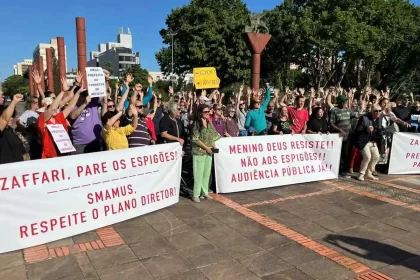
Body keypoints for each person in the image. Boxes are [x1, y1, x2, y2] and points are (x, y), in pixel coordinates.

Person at [37, 85, 84, 158]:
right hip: (50, 157)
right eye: (50, 107)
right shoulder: (42, 119)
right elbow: (53, 108)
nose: (56, 109)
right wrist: (63, 91)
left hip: (64, 155)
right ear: (46, 110)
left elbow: (70, 106)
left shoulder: (59, 117)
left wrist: (78, 93)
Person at [191, 104, 221, 203]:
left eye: (209, 112)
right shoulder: (196, 123)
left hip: (209, 152)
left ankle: (205, 192)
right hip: (199, 152)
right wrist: (206, 147)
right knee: (198, 173)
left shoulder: (209, 122)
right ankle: (196, 194)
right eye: (205, 112)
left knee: (206, 173)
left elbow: (213, 136)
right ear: (200, 113)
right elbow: (195, 139)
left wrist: (213, 146)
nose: (208, 113)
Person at [355, 104, 383, 181]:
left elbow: (379, 129)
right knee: (367, 157)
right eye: (376, 111)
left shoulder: (379, 118)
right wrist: (366, 129)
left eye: (380, 111)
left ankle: (369, 174)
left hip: (373, 141)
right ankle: (361, 174)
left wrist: (381, 132)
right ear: (371, 111)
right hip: (364, 141)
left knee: (376, 157)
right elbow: (357, 130)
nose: (378, 112)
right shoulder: (364, 118)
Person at [0, 94, 27, 164]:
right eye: (9, 116)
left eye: (12, 116)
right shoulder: (2, 131)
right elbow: (4, 118)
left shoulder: (12, 131)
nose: (11, 118)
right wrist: (14, 101)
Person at [329, 95, 352, 177]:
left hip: (347, 135)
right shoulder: (334, 111)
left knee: (345, 153)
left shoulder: (348, 110)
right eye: (344, 101)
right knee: (339, 153)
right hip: (338, 136)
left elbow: (353, 116)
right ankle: (340, 170)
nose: (345, 102)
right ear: (340, 102)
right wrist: (339, 130)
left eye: (346, 101)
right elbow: (331, 123)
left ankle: (345, 169)